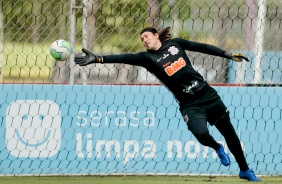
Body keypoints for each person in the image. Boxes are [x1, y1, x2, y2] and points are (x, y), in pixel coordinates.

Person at [74, 27, 261, 182]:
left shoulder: (176, 44)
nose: (144, 40)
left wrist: (226, 54)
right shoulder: (147, 59)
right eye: (141, 39)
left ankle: (245, 170)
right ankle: (217, 148)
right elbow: (124, 57)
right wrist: (97, 59)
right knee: (201, 134)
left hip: (207, 95)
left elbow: (201, 47)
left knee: (230, 133)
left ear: (156, 35)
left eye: (146, 36)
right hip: (190, 104)